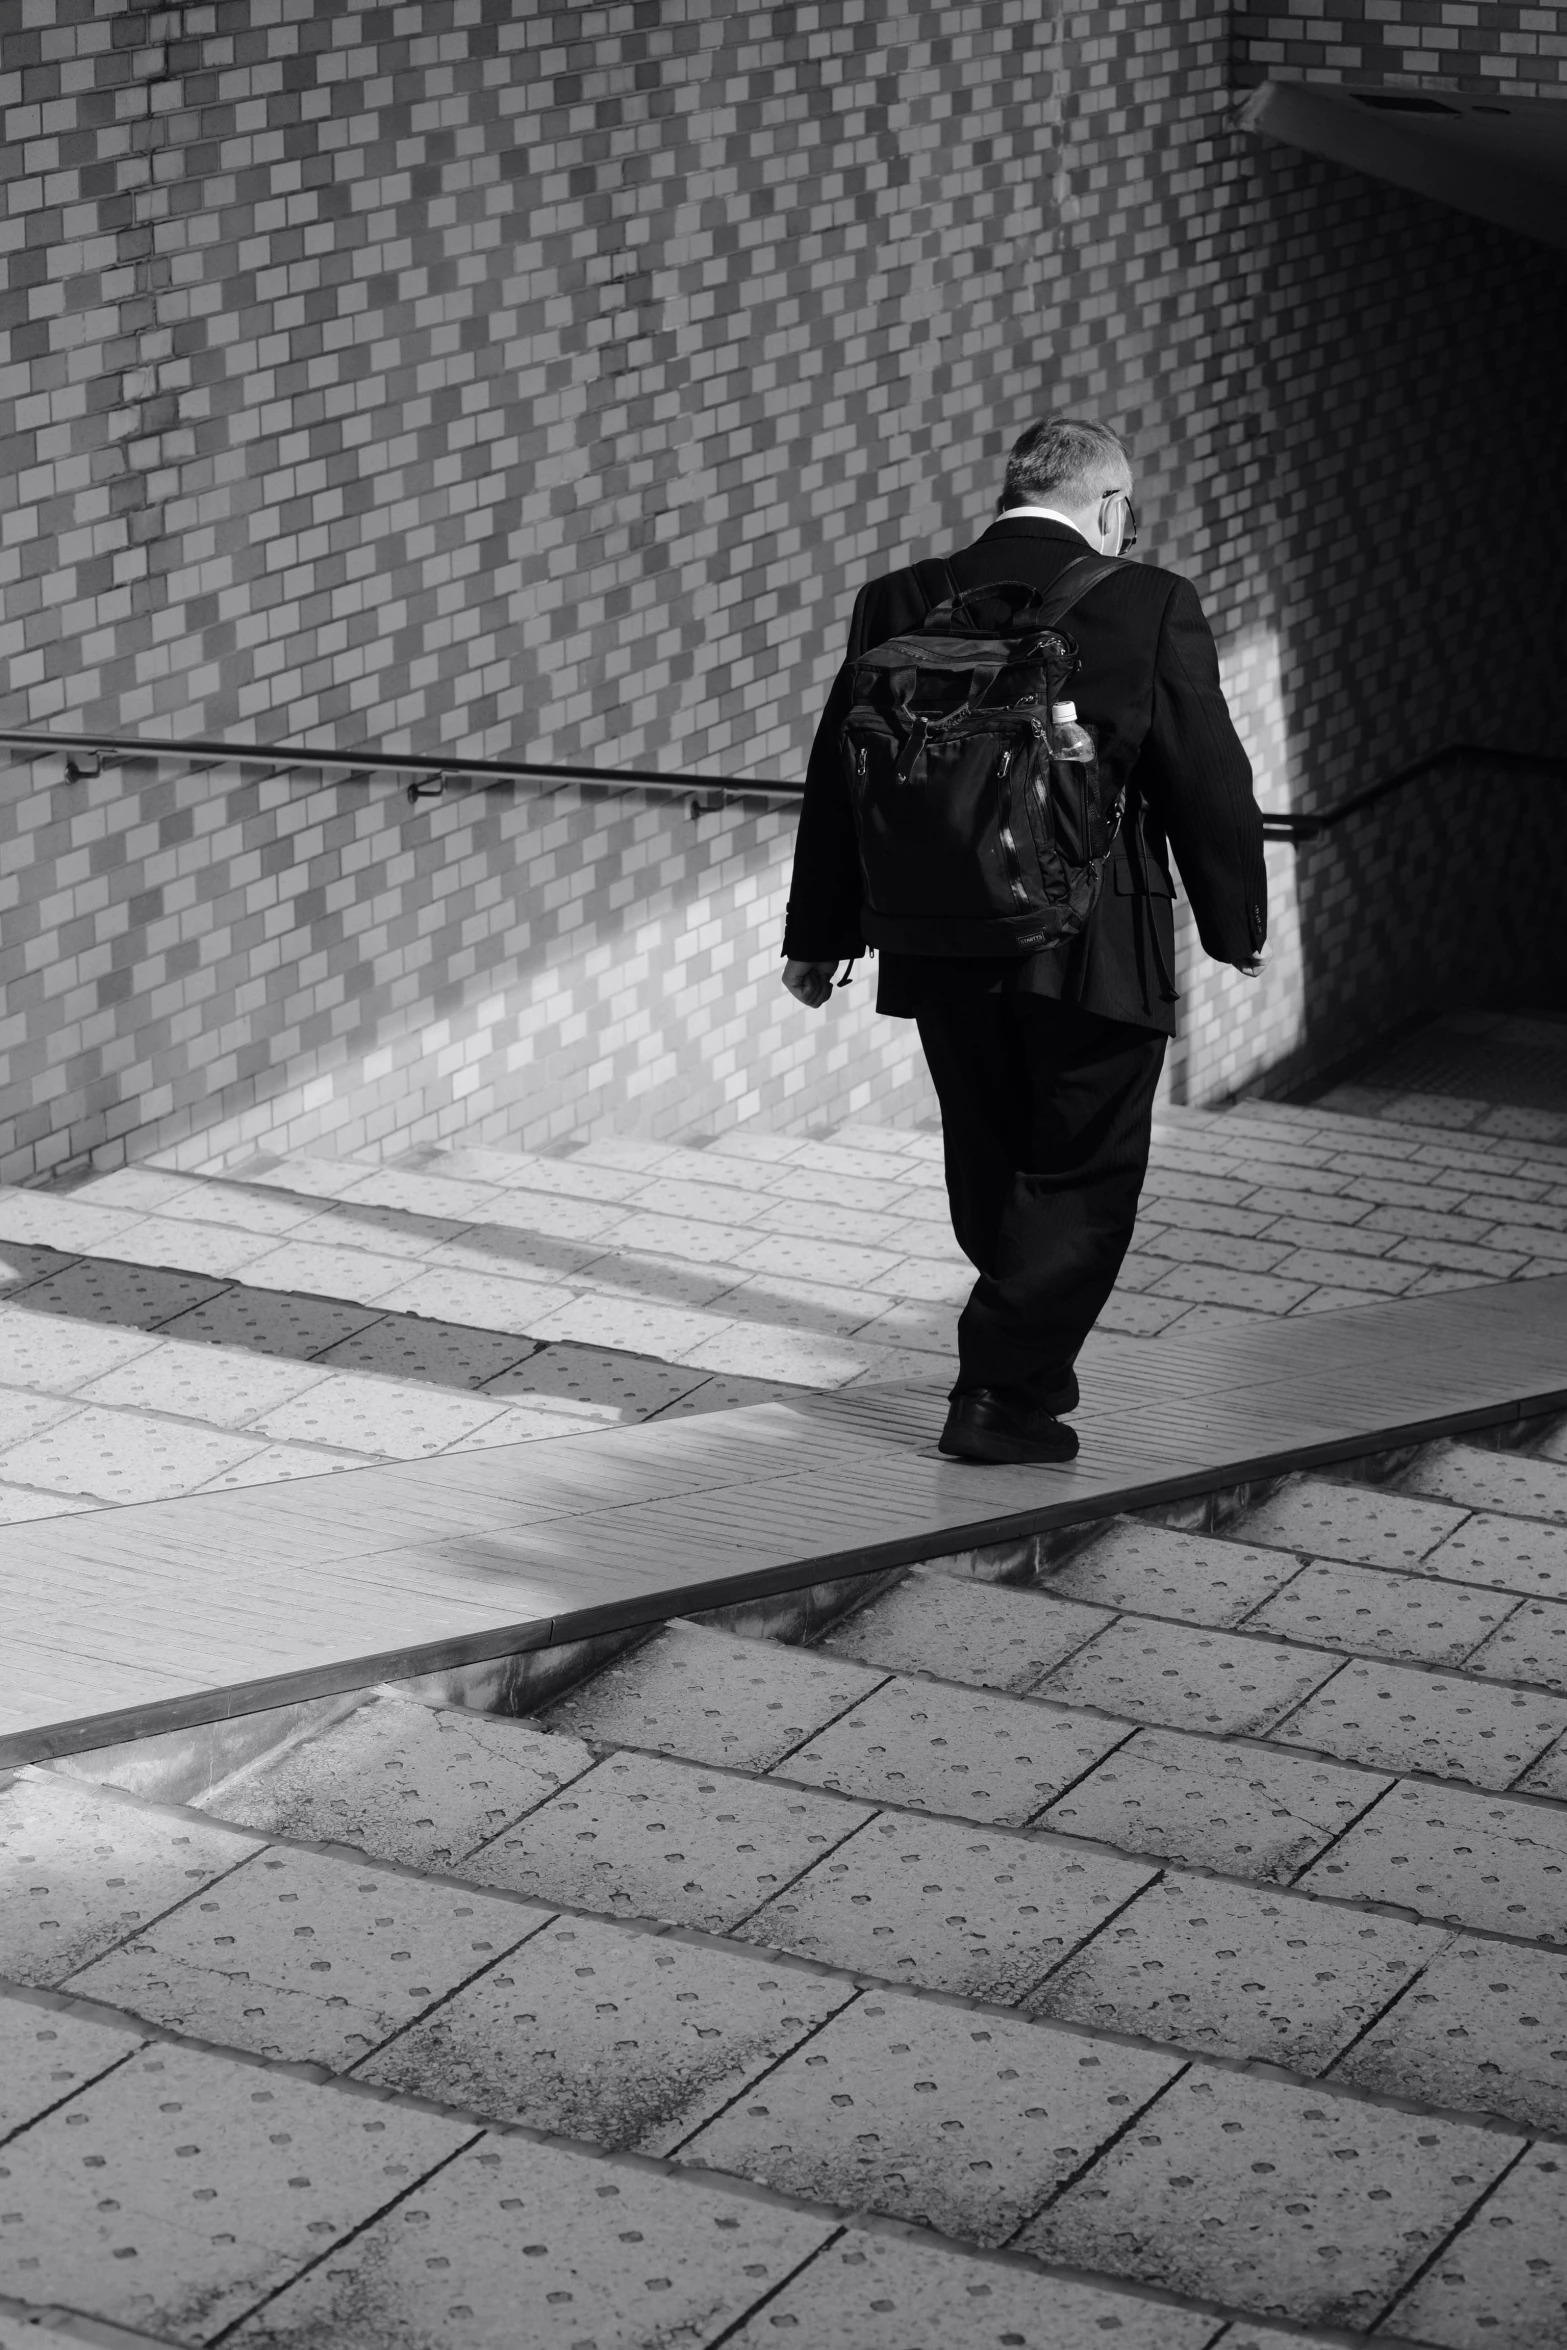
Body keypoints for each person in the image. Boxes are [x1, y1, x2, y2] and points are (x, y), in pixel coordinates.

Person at [781, 414, 1267, 1466]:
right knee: (1082, 1179)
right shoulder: (1148, 602)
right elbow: (1207, 778)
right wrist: (1236, 925)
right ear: (1107, 504)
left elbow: (839, 777)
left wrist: (819, 936)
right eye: (1124, 515)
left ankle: (1024, 1380)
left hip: (934, 938)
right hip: (1093, 940)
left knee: (995, 1166)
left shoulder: (900, 599)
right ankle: (999, 1395)